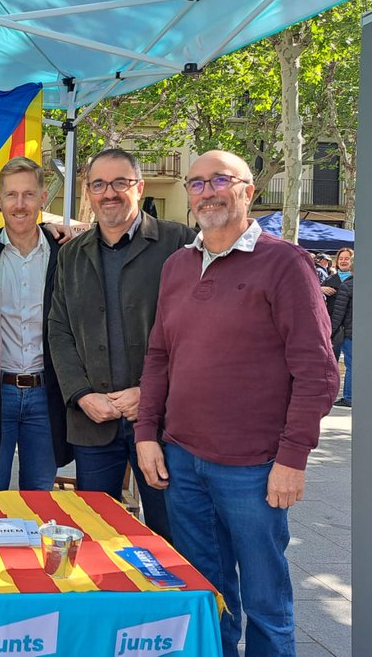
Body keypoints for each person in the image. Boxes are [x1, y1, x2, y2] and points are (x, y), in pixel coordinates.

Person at [134, 150, 338, 657]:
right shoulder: (178, 265)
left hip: (254, 467)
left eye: (220, 180)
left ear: (248, 190)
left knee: (267, 603)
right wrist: (146, 434)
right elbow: (159, 355)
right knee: (208, 595)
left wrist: (292, 459)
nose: (207, 192)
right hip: (182, 461)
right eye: (197, 183)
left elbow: (318, 372)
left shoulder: (286, 263)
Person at [47, 149, 195, 541]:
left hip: (163, 420)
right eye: (99, 184)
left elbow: (197, 332)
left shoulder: (178, 243)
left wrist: (149, 393)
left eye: (119, 183)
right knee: (97, 532)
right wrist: (80, 395)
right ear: (89, 192)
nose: (108, 193)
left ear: (139, 187)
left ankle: (175, 604)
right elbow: (59, 329)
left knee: (173, 531)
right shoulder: (71, 254)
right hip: (94, 420)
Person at [0, 157, 71, 490]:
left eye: (28, 194)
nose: (19, 204)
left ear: (42, 199)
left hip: (46, 393)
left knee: (40, 496)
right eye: (11, 195)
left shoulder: (66, 252)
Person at [330, 264, 354, 408]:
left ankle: (349, 397)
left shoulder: (347, 286)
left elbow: (339, 313)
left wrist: (330, 332)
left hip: (350, 332)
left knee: (351, 365)